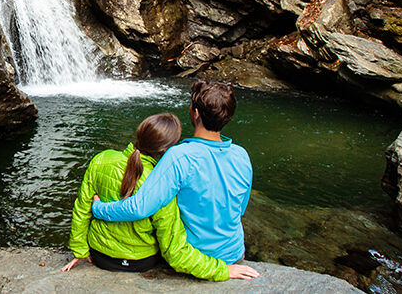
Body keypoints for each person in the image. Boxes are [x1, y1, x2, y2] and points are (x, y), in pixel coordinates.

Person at [61, 112, 258, 281]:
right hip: (143, 262)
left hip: (100, 255)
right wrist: (222, 270)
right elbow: (173, 249)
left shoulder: (101, 159)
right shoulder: (162, 182)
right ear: (166, 149)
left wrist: (80, 251)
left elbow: (81, 210)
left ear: (140, 132)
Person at [91, 80, 253, 265]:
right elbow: (239, 209)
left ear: (196, 113)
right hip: (235, 253)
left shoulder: (180, 156)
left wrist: (99, 208)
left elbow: (139, 207)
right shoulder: (241, 155)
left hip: (195, 257)